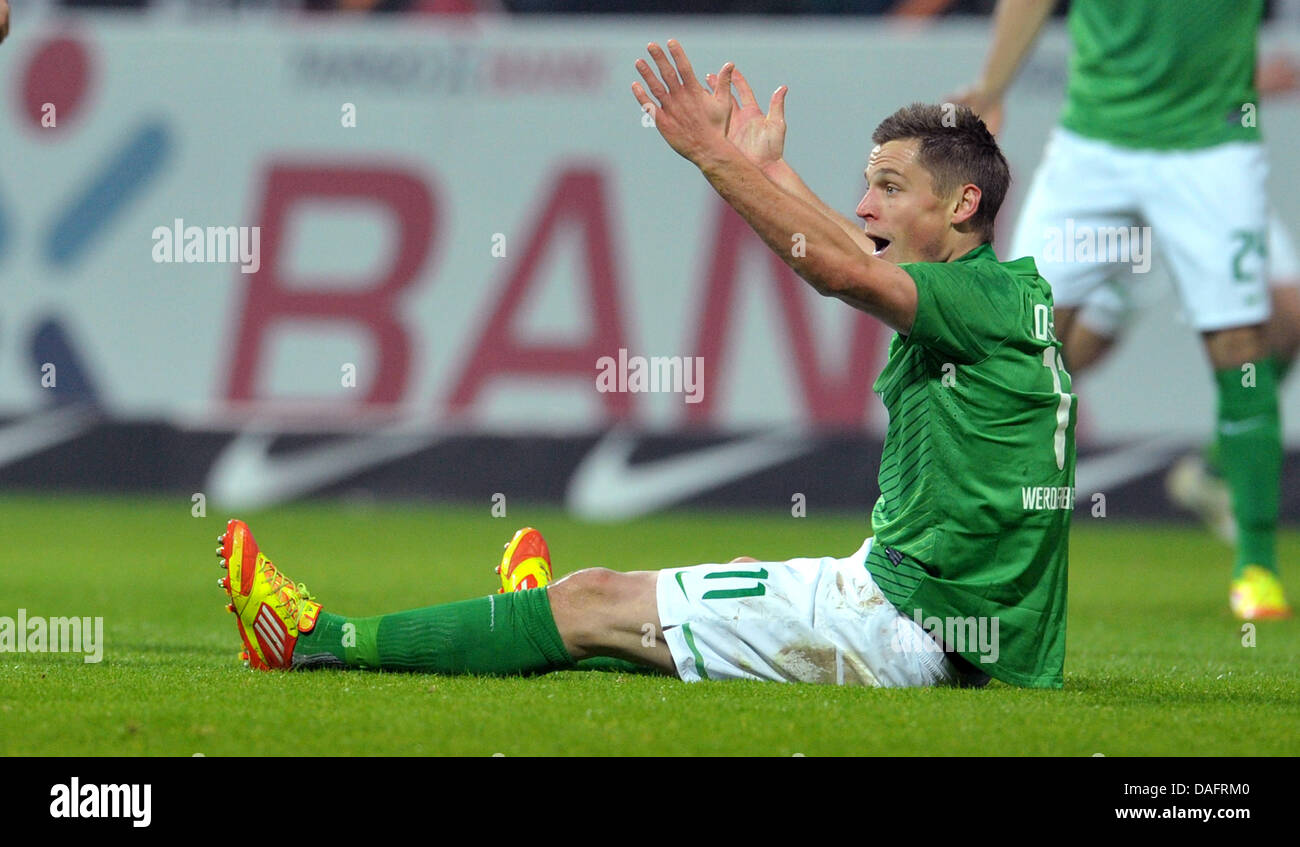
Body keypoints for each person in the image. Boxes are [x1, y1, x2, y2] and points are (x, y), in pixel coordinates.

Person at [214, 40, 1074, 689]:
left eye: (888, 184)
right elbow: (861, 252)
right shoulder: (1001, 294)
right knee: (610, 614)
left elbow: (842, 267)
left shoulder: (970, 303)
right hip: (920, 611)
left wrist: (714, 156)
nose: (863, 202)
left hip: (907, 628)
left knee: (591, 600)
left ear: (962, 204)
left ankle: (321, 641)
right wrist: (765, 166)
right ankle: (533, 625)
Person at [955, 0, 1290, 620]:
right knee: (1018, 337)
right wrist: (992, 86)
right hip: (1095, 148)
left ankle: (1257, 566)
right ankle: (967, 546)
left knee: (1242, 344)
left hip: (1210, 149)